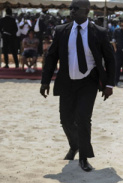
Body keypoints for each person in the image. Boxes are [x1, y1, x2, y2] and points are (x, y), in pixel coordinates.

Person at [40, 0, 115, 172]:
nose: (72, 11)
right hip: (66, 81)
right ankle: (74, 145)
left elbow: (110, 59)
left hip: (89, 82)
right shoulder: (61, 31)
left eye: (76, 8)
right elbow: (51, 57)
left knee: (82, 118)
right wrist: (45, 81)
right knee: (65, 119)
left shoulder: (99, 32)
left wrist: (109, 84)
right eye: (70, 8)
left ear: (87, 11)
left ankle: (83, 157)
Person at [112, 19, 123, 87]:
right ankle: (115, 81)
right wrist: (115, 48)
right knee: (117, 67)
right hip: (118, 51)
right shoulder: (117, 31)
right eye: (122, 25)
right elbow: (113, 39)